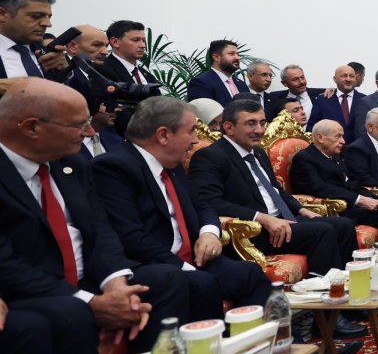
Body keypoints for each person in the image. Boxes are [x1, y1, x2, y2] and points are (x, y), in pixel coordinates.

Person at [0, 78, 188, 354]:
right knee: (69, 314)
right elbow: (7, 265)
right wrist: (93, 303)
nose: (90, 132)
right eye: (79, 124)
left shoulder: (72, 164)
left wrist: (116, 285)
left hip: (87, 278)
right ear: (32, 127)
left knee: (165, 279)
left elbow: (100, 230)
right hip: (33, 289)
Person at [187, 99, 365, 338]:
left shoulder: (258, 153)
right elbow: (210, 201)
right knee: (323, 231)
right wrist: (261, 218)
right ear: (229, 128)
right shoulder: (211, 156)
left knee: (343, 225)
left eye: (262, 122)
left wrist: (301, 209)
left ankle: (344, 303)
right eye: (251, 123)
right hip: (255, 232)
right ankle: (325, 318)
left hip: (284, 219)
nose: (259, 130)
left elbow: (277, 190)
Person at [92, 97, 272, 317]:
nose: (196, 140)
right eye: (192, 131)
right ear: (164, 135)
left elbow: (202, 204)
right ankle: (213, 349)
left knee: (250, 273)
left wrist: (209, 233)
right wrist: (185, 267)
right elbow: (131, 236)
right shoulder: (114, 167)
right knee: (202, 283)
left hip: (194, 258)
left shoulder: (173, 165)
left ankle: (252, 345)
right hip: (156, 265)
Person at [290, 119, 378, 244]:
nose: (343, 141)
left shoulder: (334, 156)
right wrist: (360, 200)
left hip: (350, 204)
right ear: (320, 137)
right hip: (334, 210)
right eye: (338, 136)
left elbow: (351, 182)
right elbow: (320, 187)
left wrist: (369, 196)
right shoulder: (304, 158)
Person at [0, 0, 69, 80]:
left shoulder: (47, 54)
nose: (48, 24)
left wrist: (65, 71)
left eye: (48, 17)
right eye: (36, 16)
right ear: (2, 14)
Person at [308, 65, 363, 142]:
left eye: (351, 76)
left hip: (358, 151)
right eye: (344, 76)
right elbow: (312, 128)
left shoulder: (364, 100)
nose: (348, 79)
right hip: (330, 150)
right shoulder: (323, 100)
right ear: (335, 79)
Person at [186, 40, 249, 105]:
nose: (237, 57)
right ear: (216, 57)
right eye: (231, 54)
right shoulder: (201, 83)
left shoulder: (242, 85)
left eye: (238, 54)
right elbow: (205, 112)